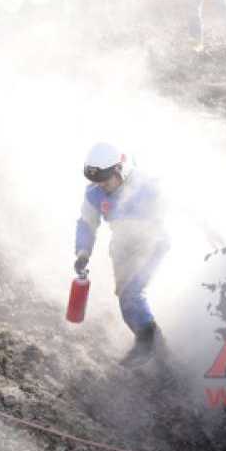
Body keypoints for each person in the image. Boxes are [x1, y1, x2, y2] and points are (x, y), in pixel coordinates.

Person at [74, 143, 169, 367]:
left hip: (151, 243)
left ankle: (151, 348)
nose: (102, 187)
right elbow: (87, 223)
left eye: (106, 181)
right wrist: (82, 252)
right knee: (125, 300)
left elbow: (178, 206)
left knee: (132, 293)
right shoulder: (94, 193)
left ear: (120, 170)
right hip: (122, 247)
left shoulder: (147, 185)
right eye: (97, 182)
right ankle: (154, 348)